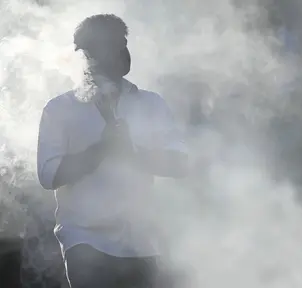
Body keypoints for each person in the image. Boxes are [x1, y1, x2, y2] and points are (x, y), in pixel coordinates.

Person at [37, 14, 188, 288]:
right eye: (112, 46)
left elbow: (180, 164)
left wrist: (134, 154)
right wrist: (100, 151)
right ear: (86, 55)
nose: (122, 53)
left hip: (141, 241)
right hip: (85, 239)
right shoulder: (60, 109)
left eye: (123, 43)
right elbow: (48, 175)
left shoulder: (151, 103)